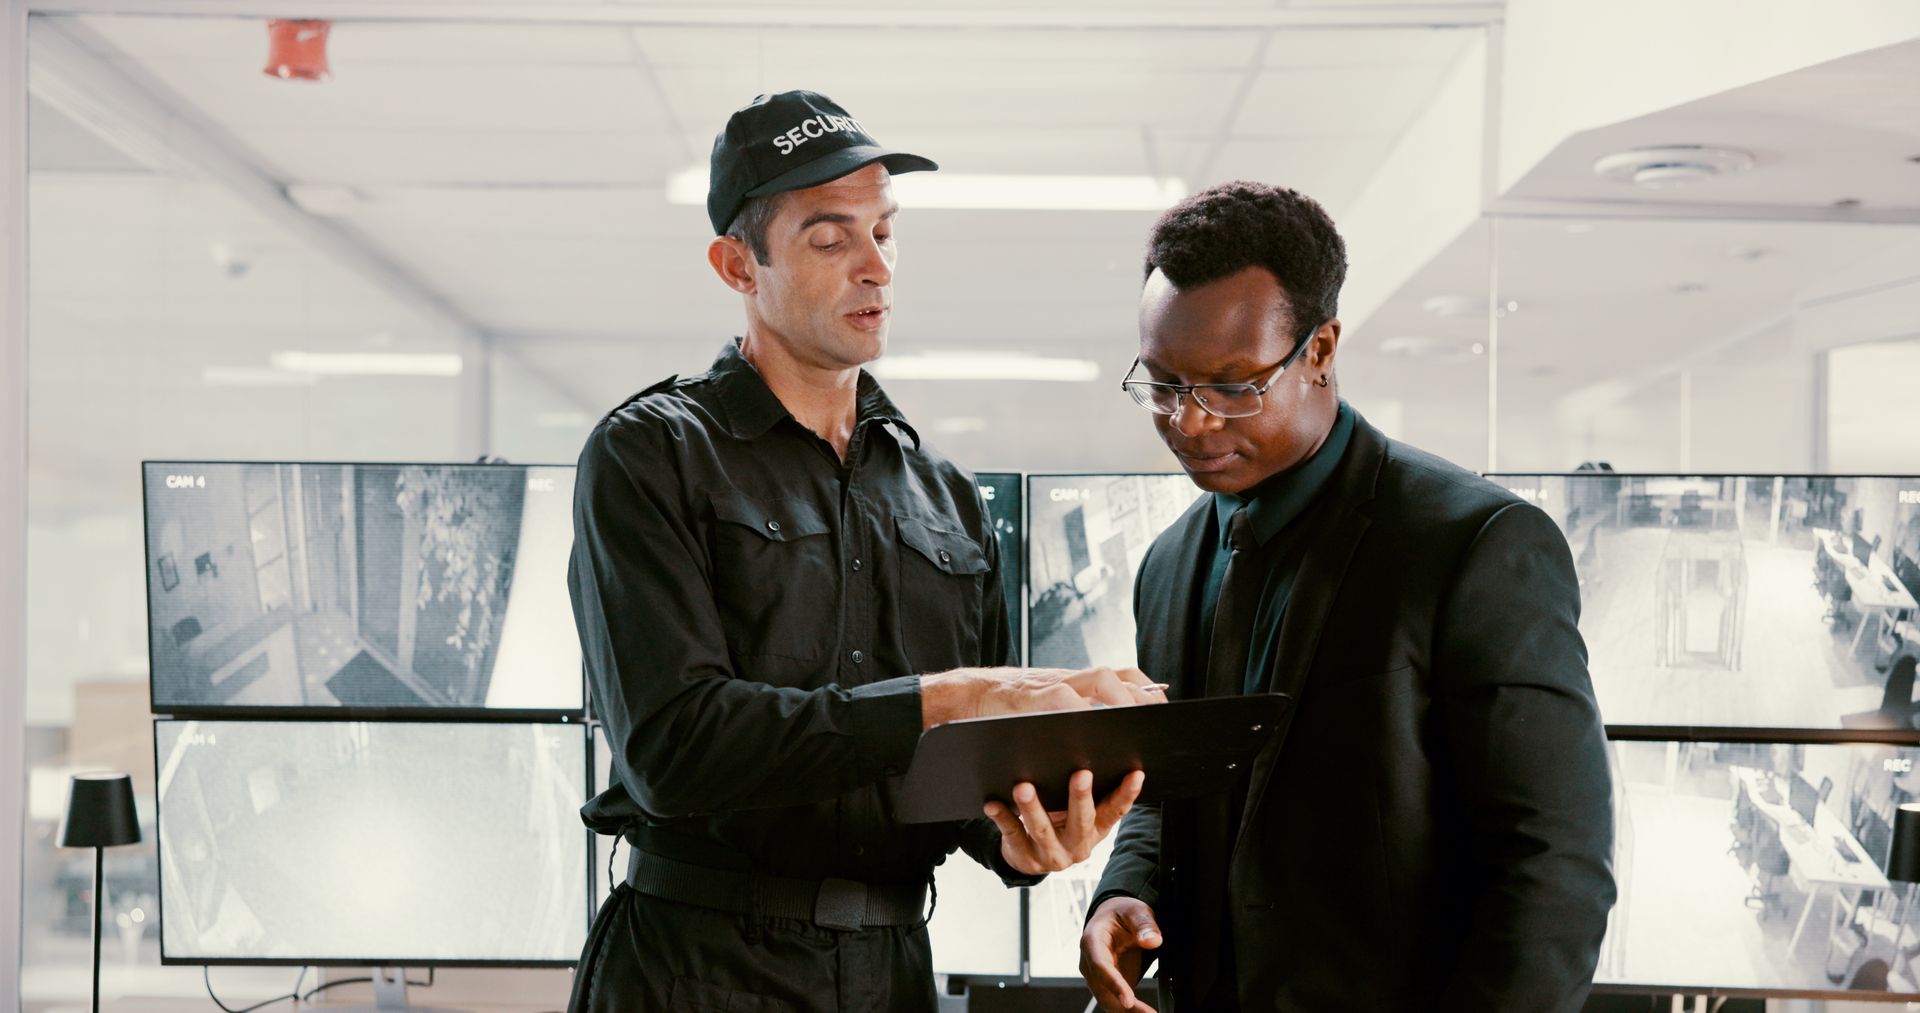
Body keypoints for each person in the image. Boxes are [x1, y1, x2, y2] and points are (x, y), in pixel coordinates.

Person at [565, 90, 1158, 1013]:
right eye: (831, 239)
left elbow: (959, 782)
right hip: (696, 965)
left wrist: (1024, 834)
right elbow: (673, 746)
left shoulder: (946, 498)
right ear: (736, 264)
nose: (876, 267)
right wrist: (953, 697)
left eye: (886, 232)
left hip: (888, 969)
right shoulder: (652, 454)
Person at [1078, 180, 1616, 1012]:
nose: (1189, 422)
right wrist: (1126, 891)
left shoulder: (1477, 544)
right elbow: (1168, 790)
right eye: (1163, 384)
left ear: (1321, 349)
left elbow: (1552, 868)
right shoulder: (1168, 563)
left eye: (1230, 386)